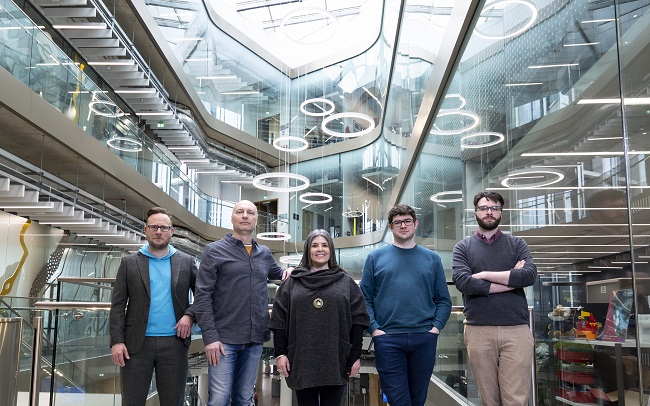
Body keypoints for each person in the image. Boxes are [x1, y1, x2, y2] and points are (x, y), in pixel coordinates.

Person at [194, 200, 288, 406]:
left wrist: (289, 272)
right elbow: (202, 297)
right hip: (223, 340)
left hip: (254, 340)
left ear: (256, 220)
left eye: (250, 212)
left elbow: (279, 274)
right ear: (232, 218)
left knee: (244, 399)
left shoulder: (264, 253)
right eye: (240, 212)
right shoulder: (214, 251)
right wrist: (210, 338)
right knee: (219, 400)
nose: (245, 215)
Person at [360, 203, 452, 406]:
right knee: (398, 400)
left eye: (407, 221)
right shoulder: (375, 258)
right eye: (398, 222)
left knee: (418, 400)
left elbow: (444, 300)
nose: (403, 225)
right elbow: (364, 298)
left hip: (424, 338)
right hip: (388, 339)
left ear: (416, 224)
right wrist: (374, 329)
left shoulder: (432, 259)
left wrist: (435, 329)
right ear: (391, 227)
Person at [451, 191, 537, 406]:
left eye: (494, 208)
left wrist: (484, 275)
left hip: (516, 329)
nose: (489, 212)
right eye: (484, 208)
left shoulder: (517, 244)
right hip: (479, 330)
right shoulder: (463, 247)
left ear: (501, 212)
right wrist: (510, 279)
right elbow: (464, 282)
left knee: (515, 400)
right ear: (475, 212)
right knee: (489, 400)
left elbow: (528, 275)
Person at [269, 229, 370, 406]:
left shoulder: (346, 282)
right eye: (314, 245)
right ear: (308, 250)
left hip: (336, 359)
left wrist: (355, 355)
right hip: (301, 359)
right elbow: (279, 321)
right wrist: (280, 353)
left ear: (330, 249)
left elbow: (359, 321)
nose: (320, 249)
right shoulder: (292, 282)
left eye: (324, 245)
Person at [110, 207, 197, 406]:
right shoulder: (129, 263)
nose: (159, 231)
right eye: (154, 227)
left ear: (172, 231)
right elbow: (117, 306)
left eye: (164, 228)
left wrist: (189, 316)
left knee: (173, 401)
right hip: (135, 346)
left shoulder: (186, 262)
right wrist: (117, 341)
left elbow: (203, 296)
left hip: (175, 343)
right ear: (145, 230)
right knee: (132, 401)